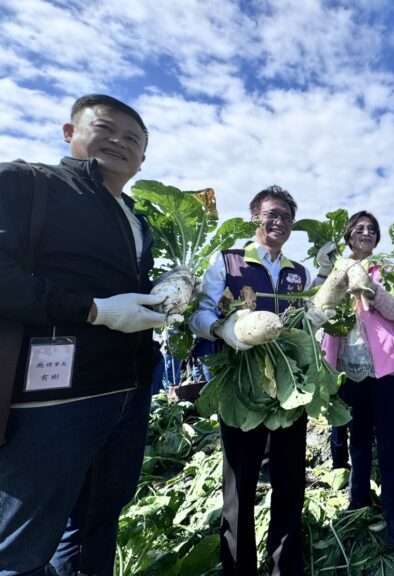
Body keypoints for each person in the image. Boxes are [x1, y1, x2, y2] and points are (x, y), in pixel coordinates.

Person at [0, 94, 168, 576]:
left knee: (96, 526)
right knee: (20, 549)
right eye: (106, 129)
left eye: (133, 139)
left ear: (143, 158)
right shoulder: (27, 182)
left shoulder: (137, 220)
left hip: (125, 396)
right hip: (48, 401)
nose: (120, 143)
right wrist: (94, 311)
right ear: (70, 132)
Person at [190, 185, 310, 575]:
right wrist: (223, 331)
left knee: (290, 482)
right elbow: (199, 314)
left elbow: (305, 321)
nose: (278, 222)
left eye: (286, 217)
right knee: (240, 486)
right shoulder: (229, 261)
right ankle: (238, 569)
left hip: (288, 389)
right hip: (241, 387)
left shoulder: (298, 272)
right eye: (271, 214)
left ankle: (283, 566)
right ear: (254, 216)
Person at [313, 211, 394, 551]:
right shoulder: (335, 268)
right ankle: (358, 504)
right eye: (359, 229)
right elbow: (320, 307)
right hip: (348, 369)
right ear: (348, 236)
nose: (366, 233)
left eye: (372, 228)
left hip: (385, 370)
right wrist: (332, 274)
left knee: (390, 443)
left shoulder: (386, 267)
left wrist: (369, 286)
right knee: (356, 440)